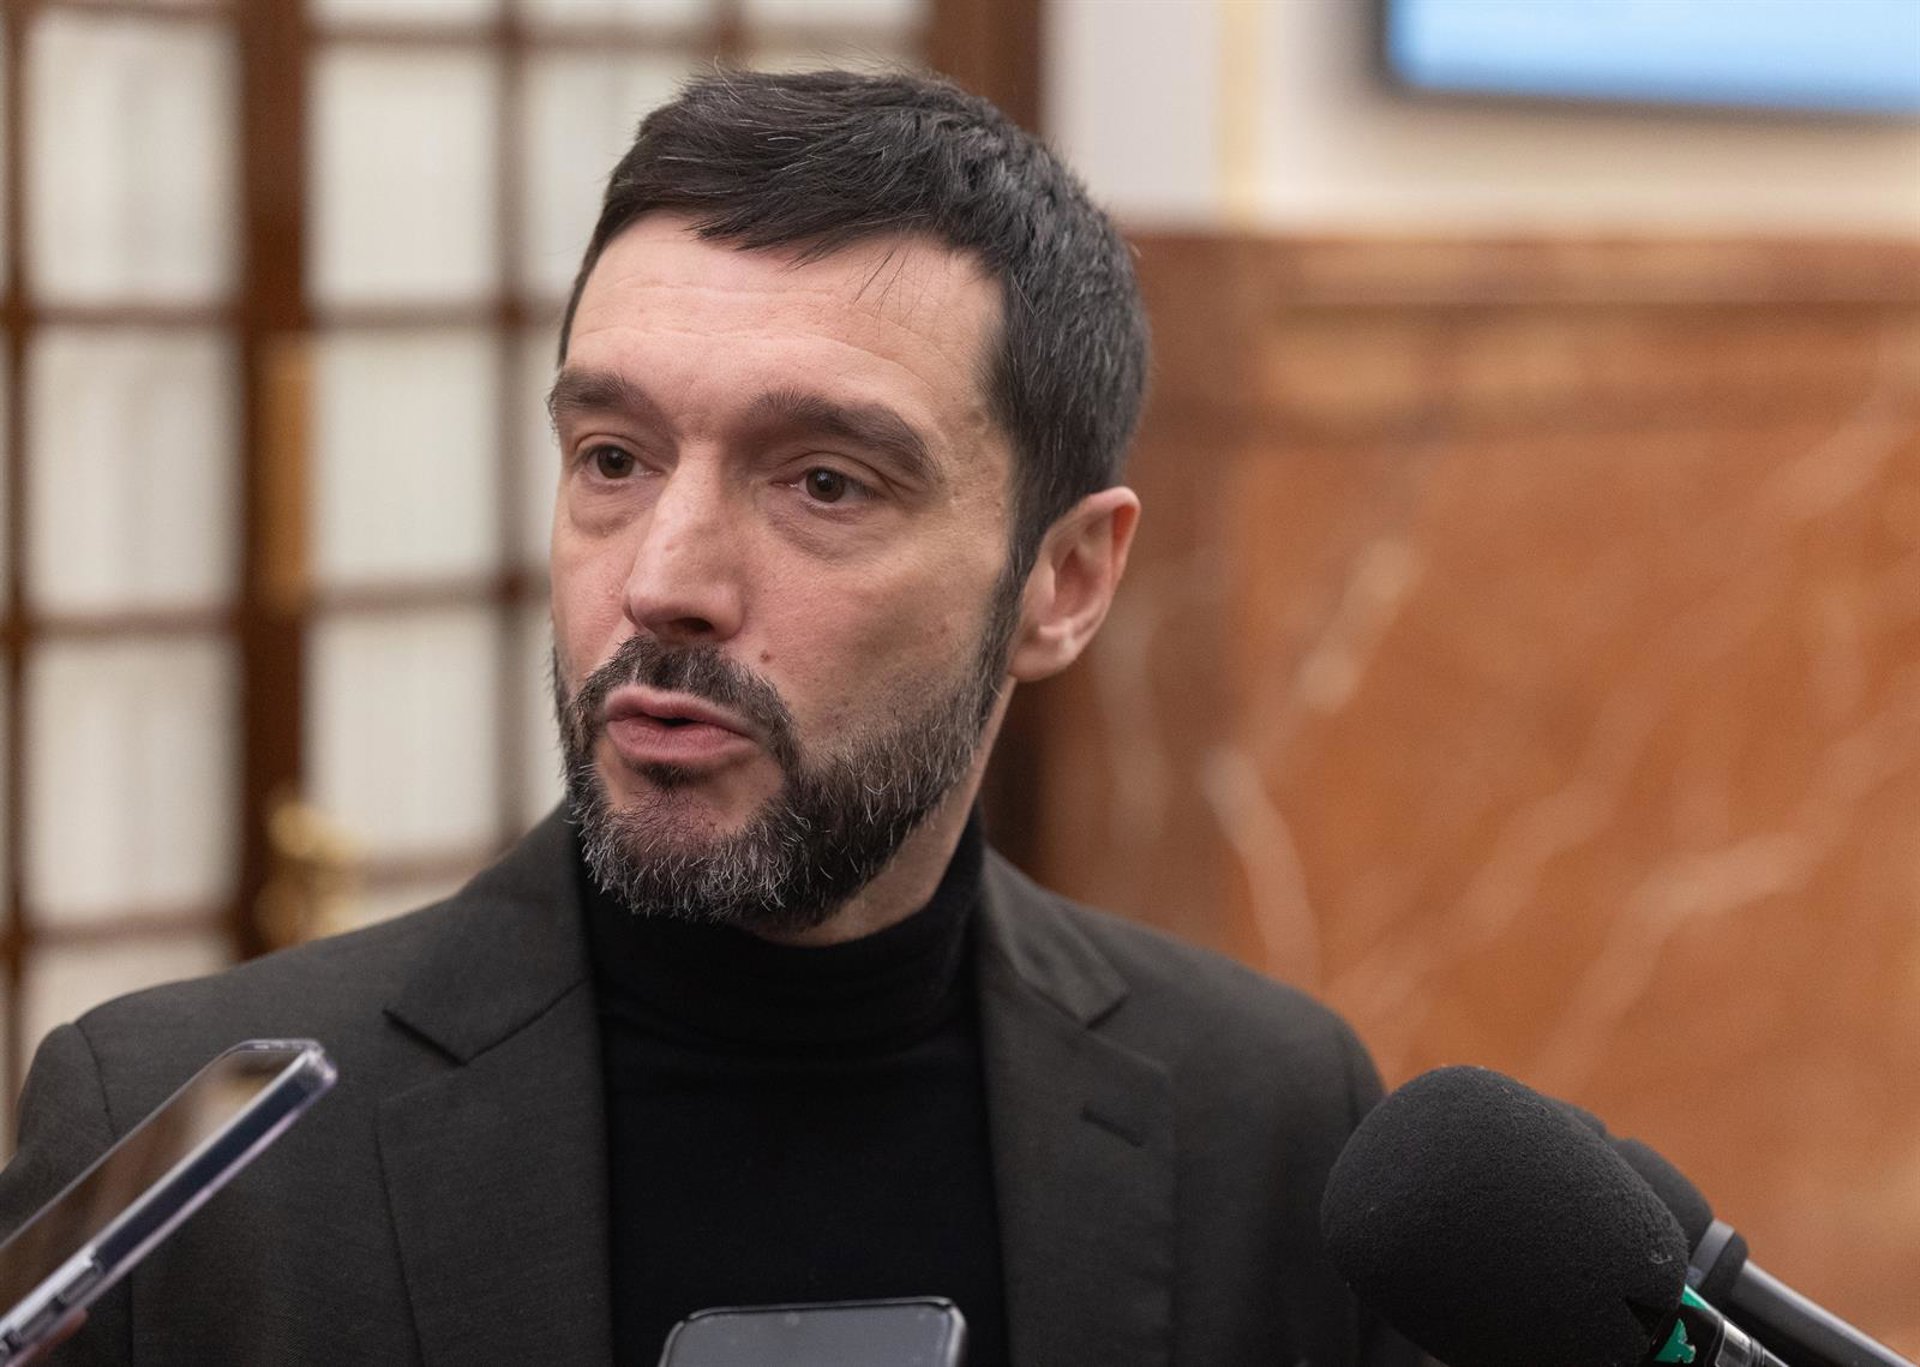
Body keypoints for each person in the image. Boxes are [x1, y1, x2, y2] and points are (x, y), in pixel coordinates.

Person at [0, 69, 1409, 1367]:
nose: (664, 583)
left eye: (825, 484)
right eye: (613, 458)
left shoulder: (1267, 1116)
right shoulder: (183, 1144)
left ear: (1065, 581)